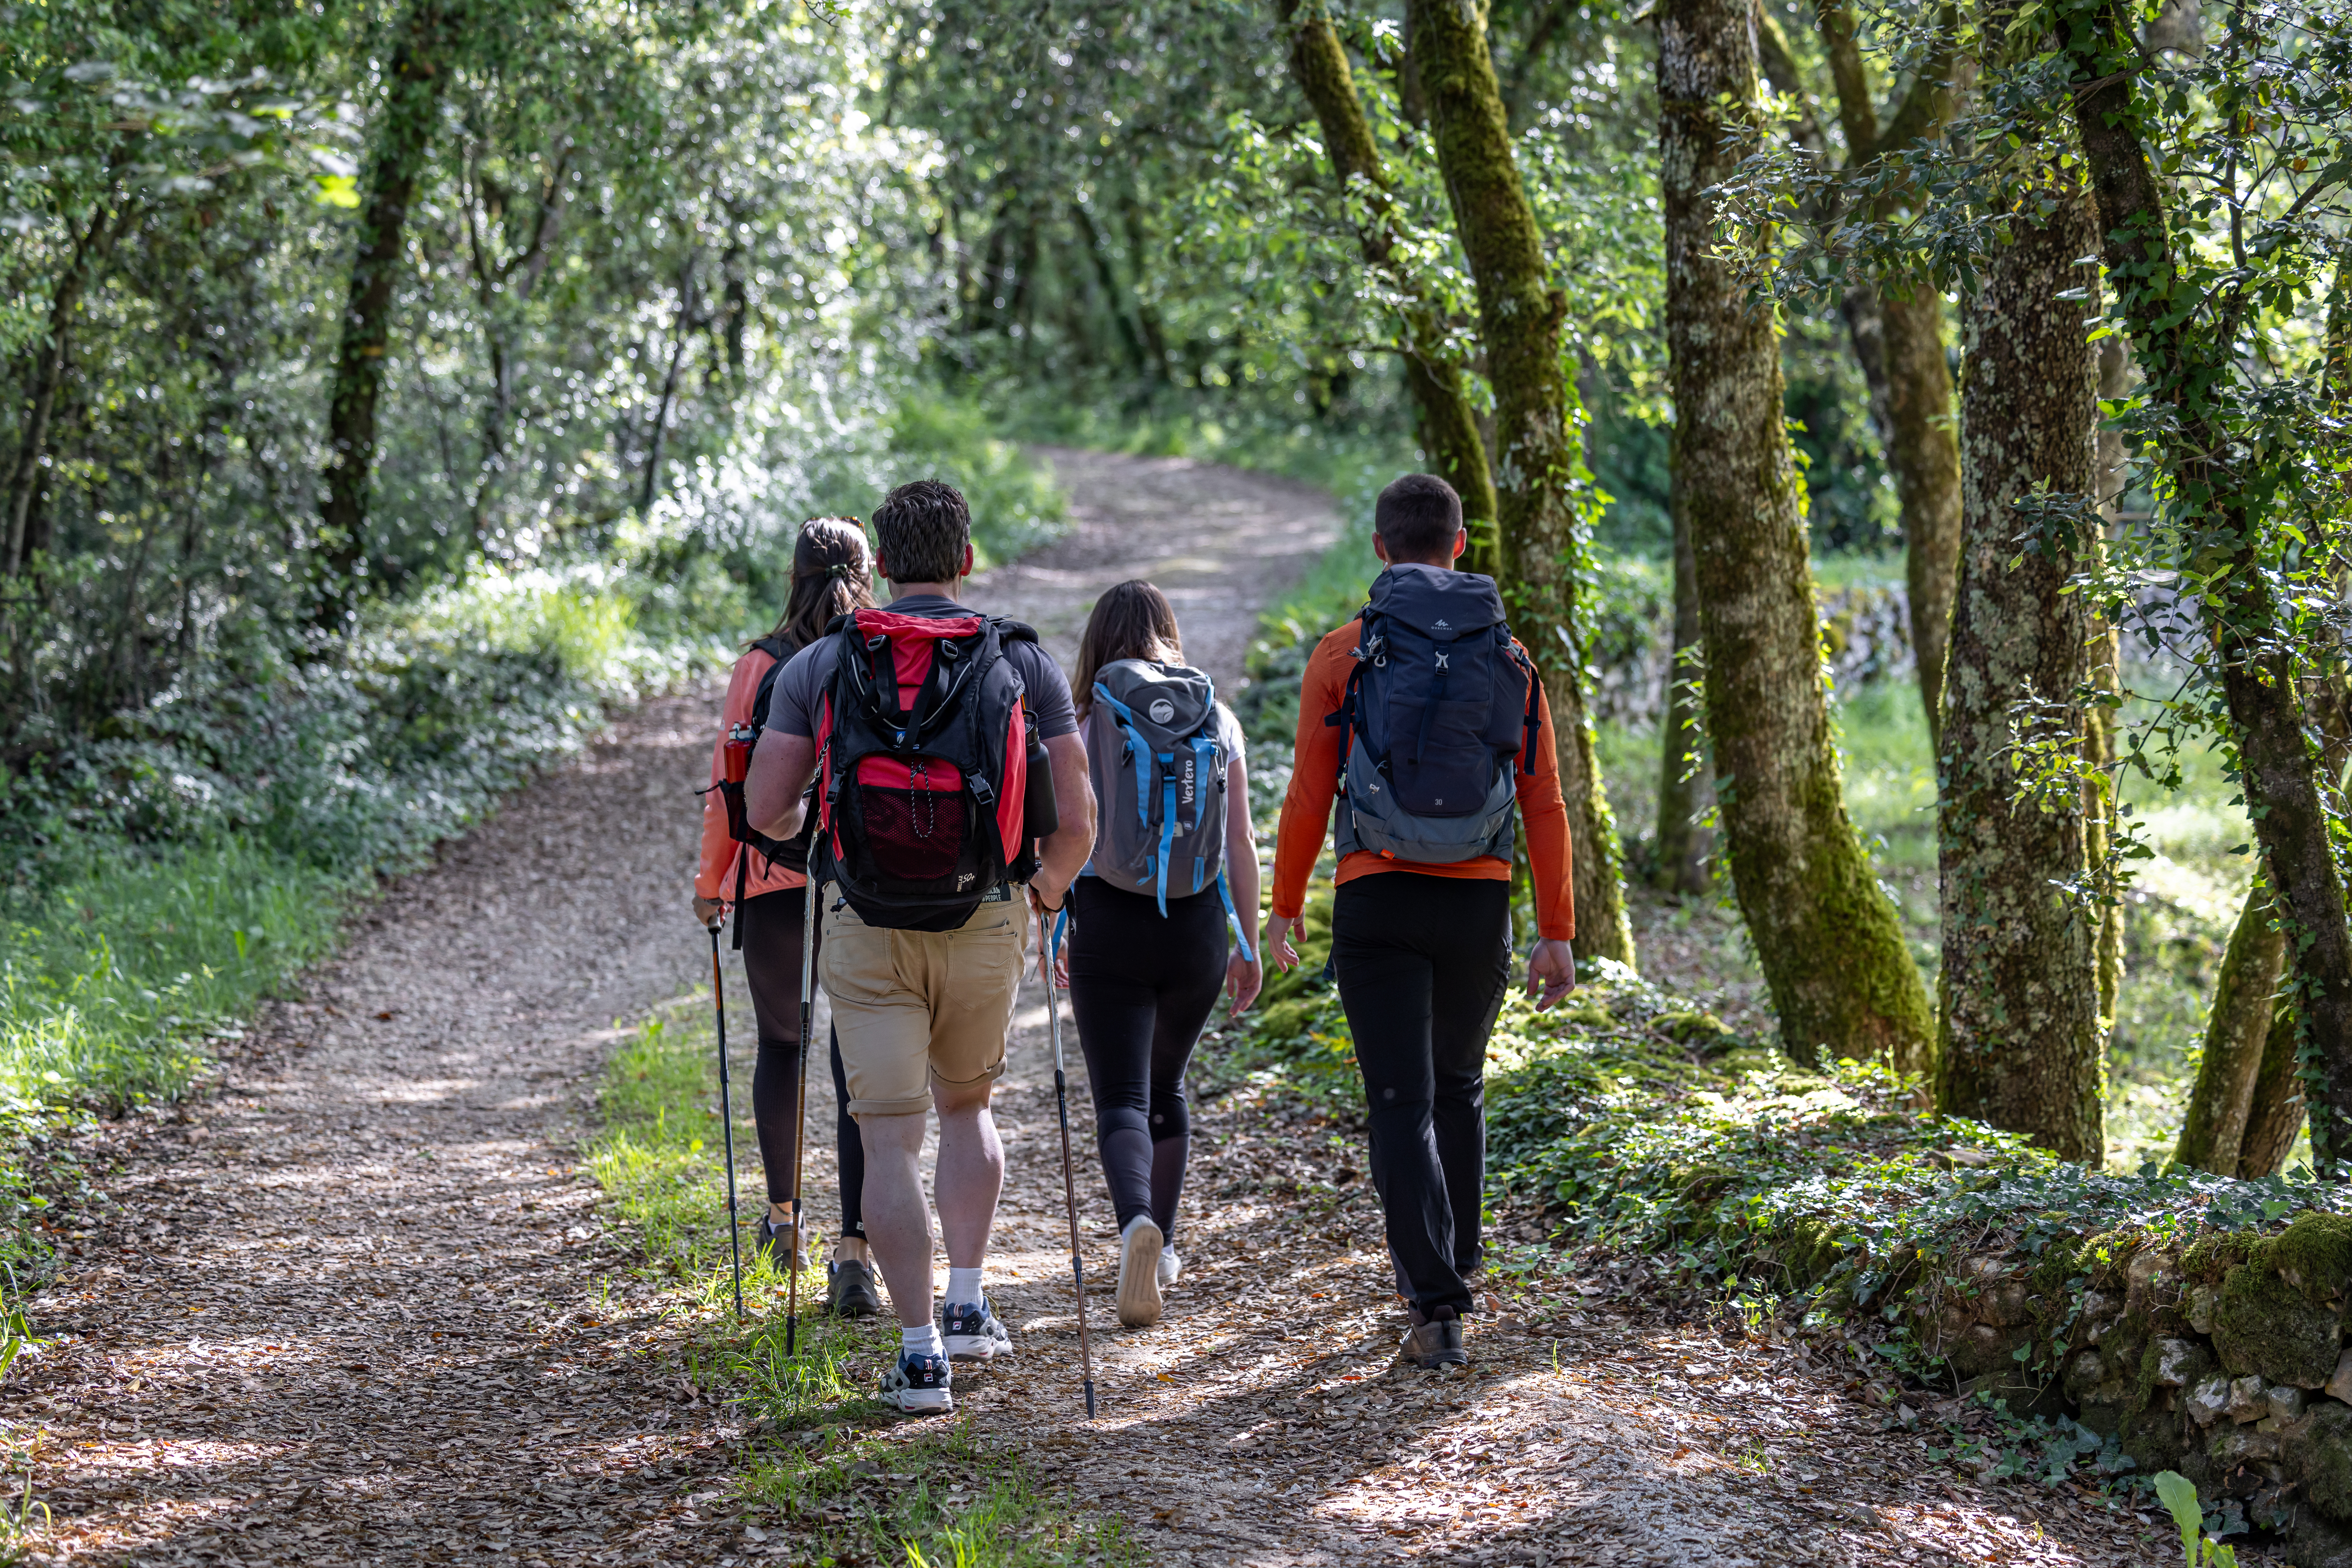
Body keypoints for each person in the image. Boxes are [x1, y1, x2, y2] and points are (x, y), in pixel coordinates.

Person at [743, 479, 1093, 1416]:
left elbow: (761, 807)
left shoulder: (819, 663)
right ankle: (970, 1302)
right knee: (968, 1107)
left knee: (887, 1139)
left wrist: (821, 835)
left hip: (864, 922)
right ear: (967, 560)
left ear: (882, 566)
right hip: (982, 913)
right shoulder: (1022, 660)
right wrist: (1039, 894)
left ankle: (919, 1355)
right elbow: (1079, 817)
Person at [1261, 473, 1579, 1370]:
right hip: (1478, 900)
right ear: (1460, 544)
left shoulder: (1343, 653)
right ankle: (1454, 1273)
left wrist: (1284, 908)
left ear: (1378, 549)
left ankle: (1434, 1303)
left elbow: (1307, 792)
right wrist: (1555, 929)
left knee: (1398, 1100)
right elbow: (1545, 803)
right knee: (1458, 1090)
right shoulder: (1510, 661)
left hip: (1376, 897)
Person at [691, 518, 885, 1319]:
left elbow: (727, 779)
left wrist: (713, 881)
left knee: (782, 1043)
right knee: (858, 1059)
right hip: (858, 874)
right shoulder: (877, 649)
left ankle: (781, 1218)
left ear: (792, 573)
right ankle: (855, 1248)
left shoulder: (759, 664)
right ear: (867, 570)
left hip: (773, 876)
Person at [1063, 581, 1263, 1329]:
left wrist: (1055, 918)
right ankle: (1166, 1247)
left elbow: (1070, 836)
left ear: (1097, 645)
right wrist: (1247, 941)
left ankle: (1135, 1225)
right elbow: (1240, 841)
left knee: (1119, 1096)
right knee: (1167, 1086)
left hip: (1110, 921)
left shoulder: (1085, 719)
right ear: (1169, 635)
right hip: (1198, 928)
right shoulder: (1218, 716)